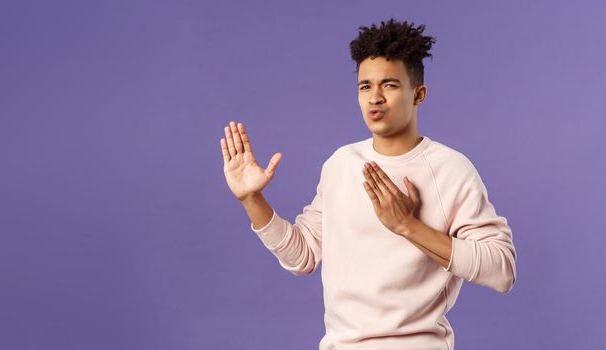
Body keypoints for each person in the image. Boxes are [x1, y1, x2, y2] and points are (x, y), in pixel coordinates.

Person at [219, 18, 517, 350]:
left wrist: (407, 226)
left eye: (389, 85)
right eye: (365, 86)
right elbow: (301, 256)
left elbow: (501, 270)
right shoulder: (340, 165)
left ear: (418, 94)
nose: (374, 98)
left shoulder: (451, 170)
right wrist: (251, 199)